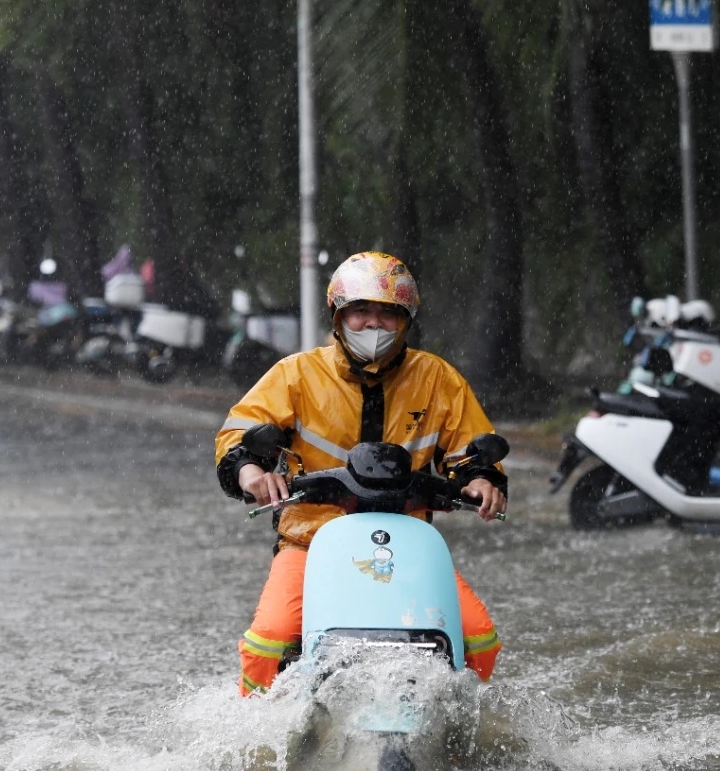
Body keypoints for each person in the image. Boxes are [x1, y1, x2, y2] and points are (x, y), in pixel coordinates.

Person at [215, 251, 508, 697]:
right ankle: (258, 746)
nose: (374, 325)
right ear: (337, 317)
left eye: (387, 314)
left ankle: (457, 729)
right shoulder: (296, 374)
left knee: (480, 639)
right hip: (310, 542)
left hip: (409, 546)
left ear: (405, 320)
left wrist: (482, 479)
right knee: (267, 643)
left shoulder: (438, 378)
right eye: (361, 312)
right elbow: (237, 433)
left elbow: (471, 449)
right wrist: (251, 470)